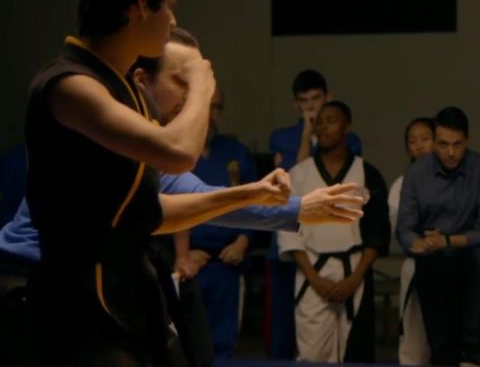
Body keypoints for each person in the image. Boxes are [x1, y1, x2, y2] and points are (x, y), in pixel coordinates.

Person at [5, 23, 364, 366]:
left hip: (90, 286)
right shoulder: (104, 125)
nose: (193, 92)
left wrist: (300, 207)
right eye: (183, 79)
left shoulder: (148, 145)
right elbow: (153, 209)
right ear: (141, 81)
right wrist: (204, 92)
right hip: (29, 283)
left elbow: (205, 199)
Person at [278, 101, 390, 363]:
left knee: (356, 351)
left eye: (332, 120)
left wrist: (356, 277)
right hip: (312, 269)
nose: (324, 127)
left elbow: (377, 231)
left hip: (355, 270)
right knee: (312, 353)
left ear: (347, 127)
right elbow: (287, 230)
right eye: (320, 122)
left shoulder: (366, 173)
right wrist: (313, 277)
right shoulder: (299, 174)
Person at [265, 68, 363, 359]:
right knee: (288, 331)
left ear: (327, 96)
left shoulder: (350, 139)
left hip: (334, 241)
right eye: (304, 100)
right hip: (291, 242)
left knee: (344, 338)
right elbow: (298, 179)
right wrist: (308, 133)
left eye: (316, 99)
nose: (311, 106)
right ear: (295, 103)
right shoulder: (282, 137)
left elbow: (327, 177)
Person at [396, 106, 480, 367]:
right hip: (432, 257)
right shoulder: (418, 172)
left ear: (467, 140)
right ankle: (445, 354)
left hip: (469, 255)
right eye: (443, 144)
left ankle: (472, 348)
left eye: (457, 144)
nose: (451, 152)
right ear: (434, 141)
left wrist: (449, 240)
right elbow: (404, 226)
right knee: (441, 346)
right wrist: (418, 243)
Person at [189, 85, 257, 359]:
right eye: (206, 106)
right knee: (185, 342)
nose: (211, 114)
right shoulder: (174, 152)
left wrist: (243, 240)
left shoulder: (236, 154)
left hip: (227, 262)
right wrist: (181, 253)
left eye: (217, 107)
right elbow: (158, 207)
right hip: (188, 263)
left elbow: (255, 203)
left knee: (223, 344)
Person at [387, 116, 434, 366]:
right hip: (416, 264)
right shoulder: (401, 185)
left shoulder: (456, 180)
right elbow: (402, 230)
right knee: (414, 338)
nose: (419, 146)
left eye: (425, 139)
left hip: (451, 263)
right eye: (412, 141)